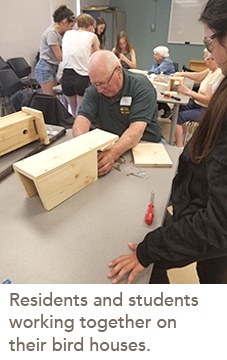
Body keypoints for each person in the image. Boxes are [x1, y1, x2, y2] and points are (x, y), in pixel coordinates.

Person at [107, 0, 227, 285]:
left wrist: (150, 250)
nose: (211, 54)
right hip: (202, 215)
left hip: (206, 222)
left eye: (209, 45)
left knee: (154, 270)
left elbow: (218, 223)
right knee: (213, 275)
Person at [73, 50, 161, 176]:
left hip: (146, 145)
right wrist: (84, 147)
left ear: (118, 71)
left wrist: (113, 153)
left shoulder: (141, 87)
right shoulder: (95, 89)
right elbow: (81, 120)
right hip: (114, 144)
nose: (99, 89)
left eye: (103, 83)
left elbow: (135, 131)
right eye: (95, 83)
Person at [172, 49, 223, 147]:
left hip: (206, 109)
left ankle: (179, 147)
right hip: (197, 104)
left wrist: (188, 91)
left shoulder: (218, 75)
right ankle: (183, 135)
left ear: (214, 59)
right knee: (176, 109)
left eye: (207, 59)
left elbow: (208, 99)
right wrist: (181, 74)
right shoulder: (211, 70)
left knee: (177, 118)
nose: (205, 61)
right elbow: (198, 76)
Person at [61, 14, 100, 117]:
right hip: (82, 76)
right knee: (81, 112)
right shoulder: (92, 36)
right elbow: (98, 56)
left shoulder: (67, 34)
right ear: (91, 27)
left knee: (73, 112)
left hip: (66, 76)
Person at [35, 5, 75, 95]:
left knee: (52, 97)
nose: (72, 29)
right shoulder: (51, 33)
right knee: (50, 98)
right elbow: (60, 56)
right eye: (71, 26)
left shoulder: (59, 33)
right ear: (64, 22)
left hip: (52, 67)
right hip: (45, 68)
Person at [148, 46, 175, 118]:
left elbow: (156, 71)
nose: (154, 56)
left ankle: (167, 109)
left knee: (158, 94)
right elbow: (152, 70)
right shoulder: (156, 61)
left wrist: (149, 72)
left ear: (162, 55)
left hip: (167, 83)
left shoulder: (167, 62)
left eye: (156, 54)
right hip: (159, 81)